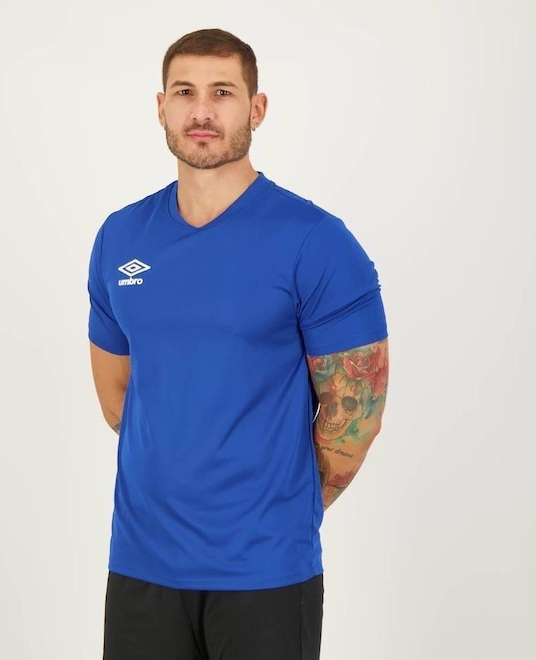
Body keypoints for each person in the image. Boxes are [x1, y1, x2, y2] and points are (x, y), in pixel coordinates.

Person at [87, 28, 389, 660]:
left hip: (265, 572)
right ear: (161, 107)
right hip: (141, 564)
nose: (202, 111)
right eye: (184, 92)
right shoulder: (120, 237)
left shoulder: (316, 241)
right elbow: (118, 398)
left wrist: (281, 509)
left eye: (222, 92)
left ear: (257, 108)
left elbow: (355, 417)